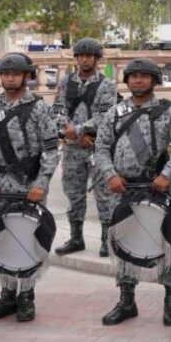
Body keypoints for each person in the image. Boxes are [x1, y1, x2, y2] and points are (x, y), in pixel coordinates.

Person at [93, 58, 171, 327]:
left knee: (168, 245)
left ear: (155, 80)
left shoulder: (170, 112)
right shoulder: (115, 112)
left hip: (156, 190)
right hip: (122, 190)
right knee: (123, 244)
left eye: (145, 76)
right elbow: (100, 148)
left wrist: (166, 175)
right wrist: (110, 175)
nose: (138, 80)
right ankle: (126, 300)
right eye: (133, 76)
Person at [0, 53, 62, 323]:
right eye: (5, 73)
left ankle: (26, 296)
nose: (9, 77)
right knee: (0, 241)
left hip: (29, 188)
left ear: (26, 76)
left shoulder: (39, 108)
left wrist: (41, 184)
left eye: (15, 73)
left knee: (27, 242)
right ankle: (7, 295)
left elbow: (50, 149)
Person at [51, 38, 119, 257]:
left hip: (98, 148)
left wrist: (80, 130)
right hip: (72, 148)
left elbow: (107, 115)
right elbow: (57, 111)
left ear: (97, 59)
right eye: (81, 55)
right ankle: (76, 237)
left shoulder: (106, 85)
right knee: (74, 194)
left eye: (89, 55)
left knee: (104, 195)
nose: (85, 59)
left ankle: (106, 240)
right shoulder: (65, 82)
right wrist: (69, 132)